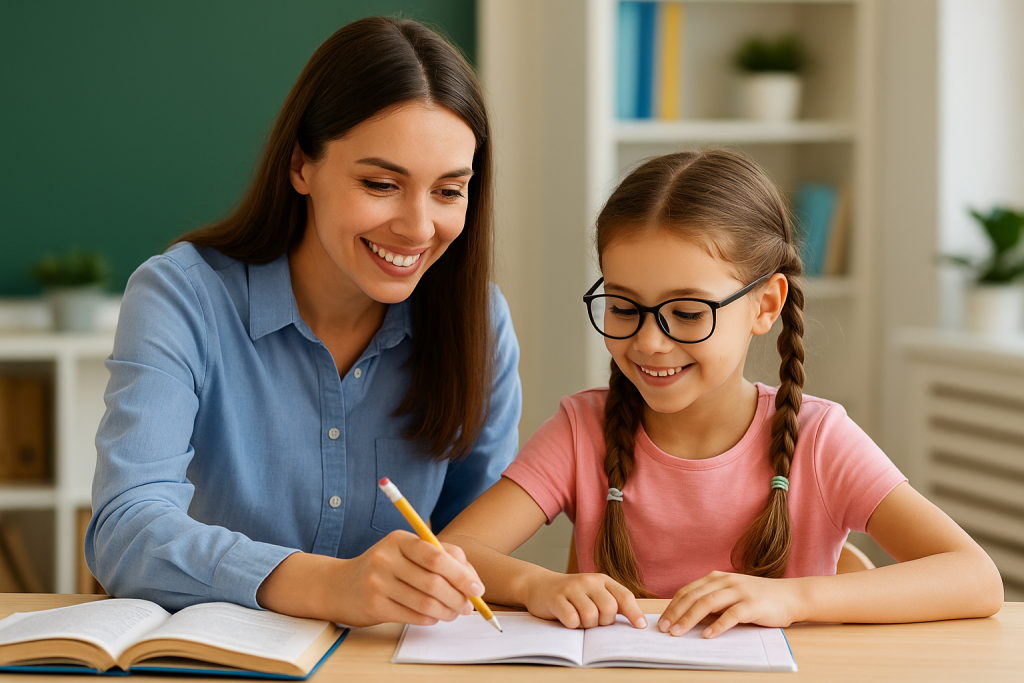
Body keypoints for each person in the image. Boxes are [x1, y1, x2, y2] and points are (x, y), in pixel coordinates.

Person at [439, 149, 1003, 638]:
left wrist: (795, 598)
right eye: (623, 306)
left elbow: (975, 578)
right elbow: (452, 551)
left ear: (765, 306)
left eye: (687, 312)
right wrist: (537, 584)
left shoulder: (819, 439)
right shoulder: (581, 428)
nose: (650, 342)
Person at [86, 17, 521, 628]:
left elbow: (476, 540)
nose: (419, 228)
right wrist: (331, 585)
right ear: (301, 167)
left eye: (449, 191)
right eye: (381, 183)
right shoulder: (181, 295)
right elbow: (124, 529)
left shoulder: (480, 322)